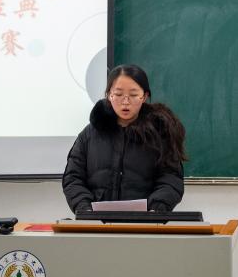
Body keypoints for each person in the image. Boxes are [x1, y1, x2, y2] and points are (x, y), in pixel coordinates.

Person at [62, 64, 187, 214]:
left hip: (145, 221)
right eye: (119, 94)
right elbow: (73, 178)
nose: (125, 101)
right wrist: (85, 210)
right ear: (109, 95)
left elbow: (171, 179)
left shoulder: (159, 134)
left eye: (133, 95)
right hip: (96, 222)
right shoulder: (89, 135)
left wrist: (157, 209)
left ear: (144, 96)